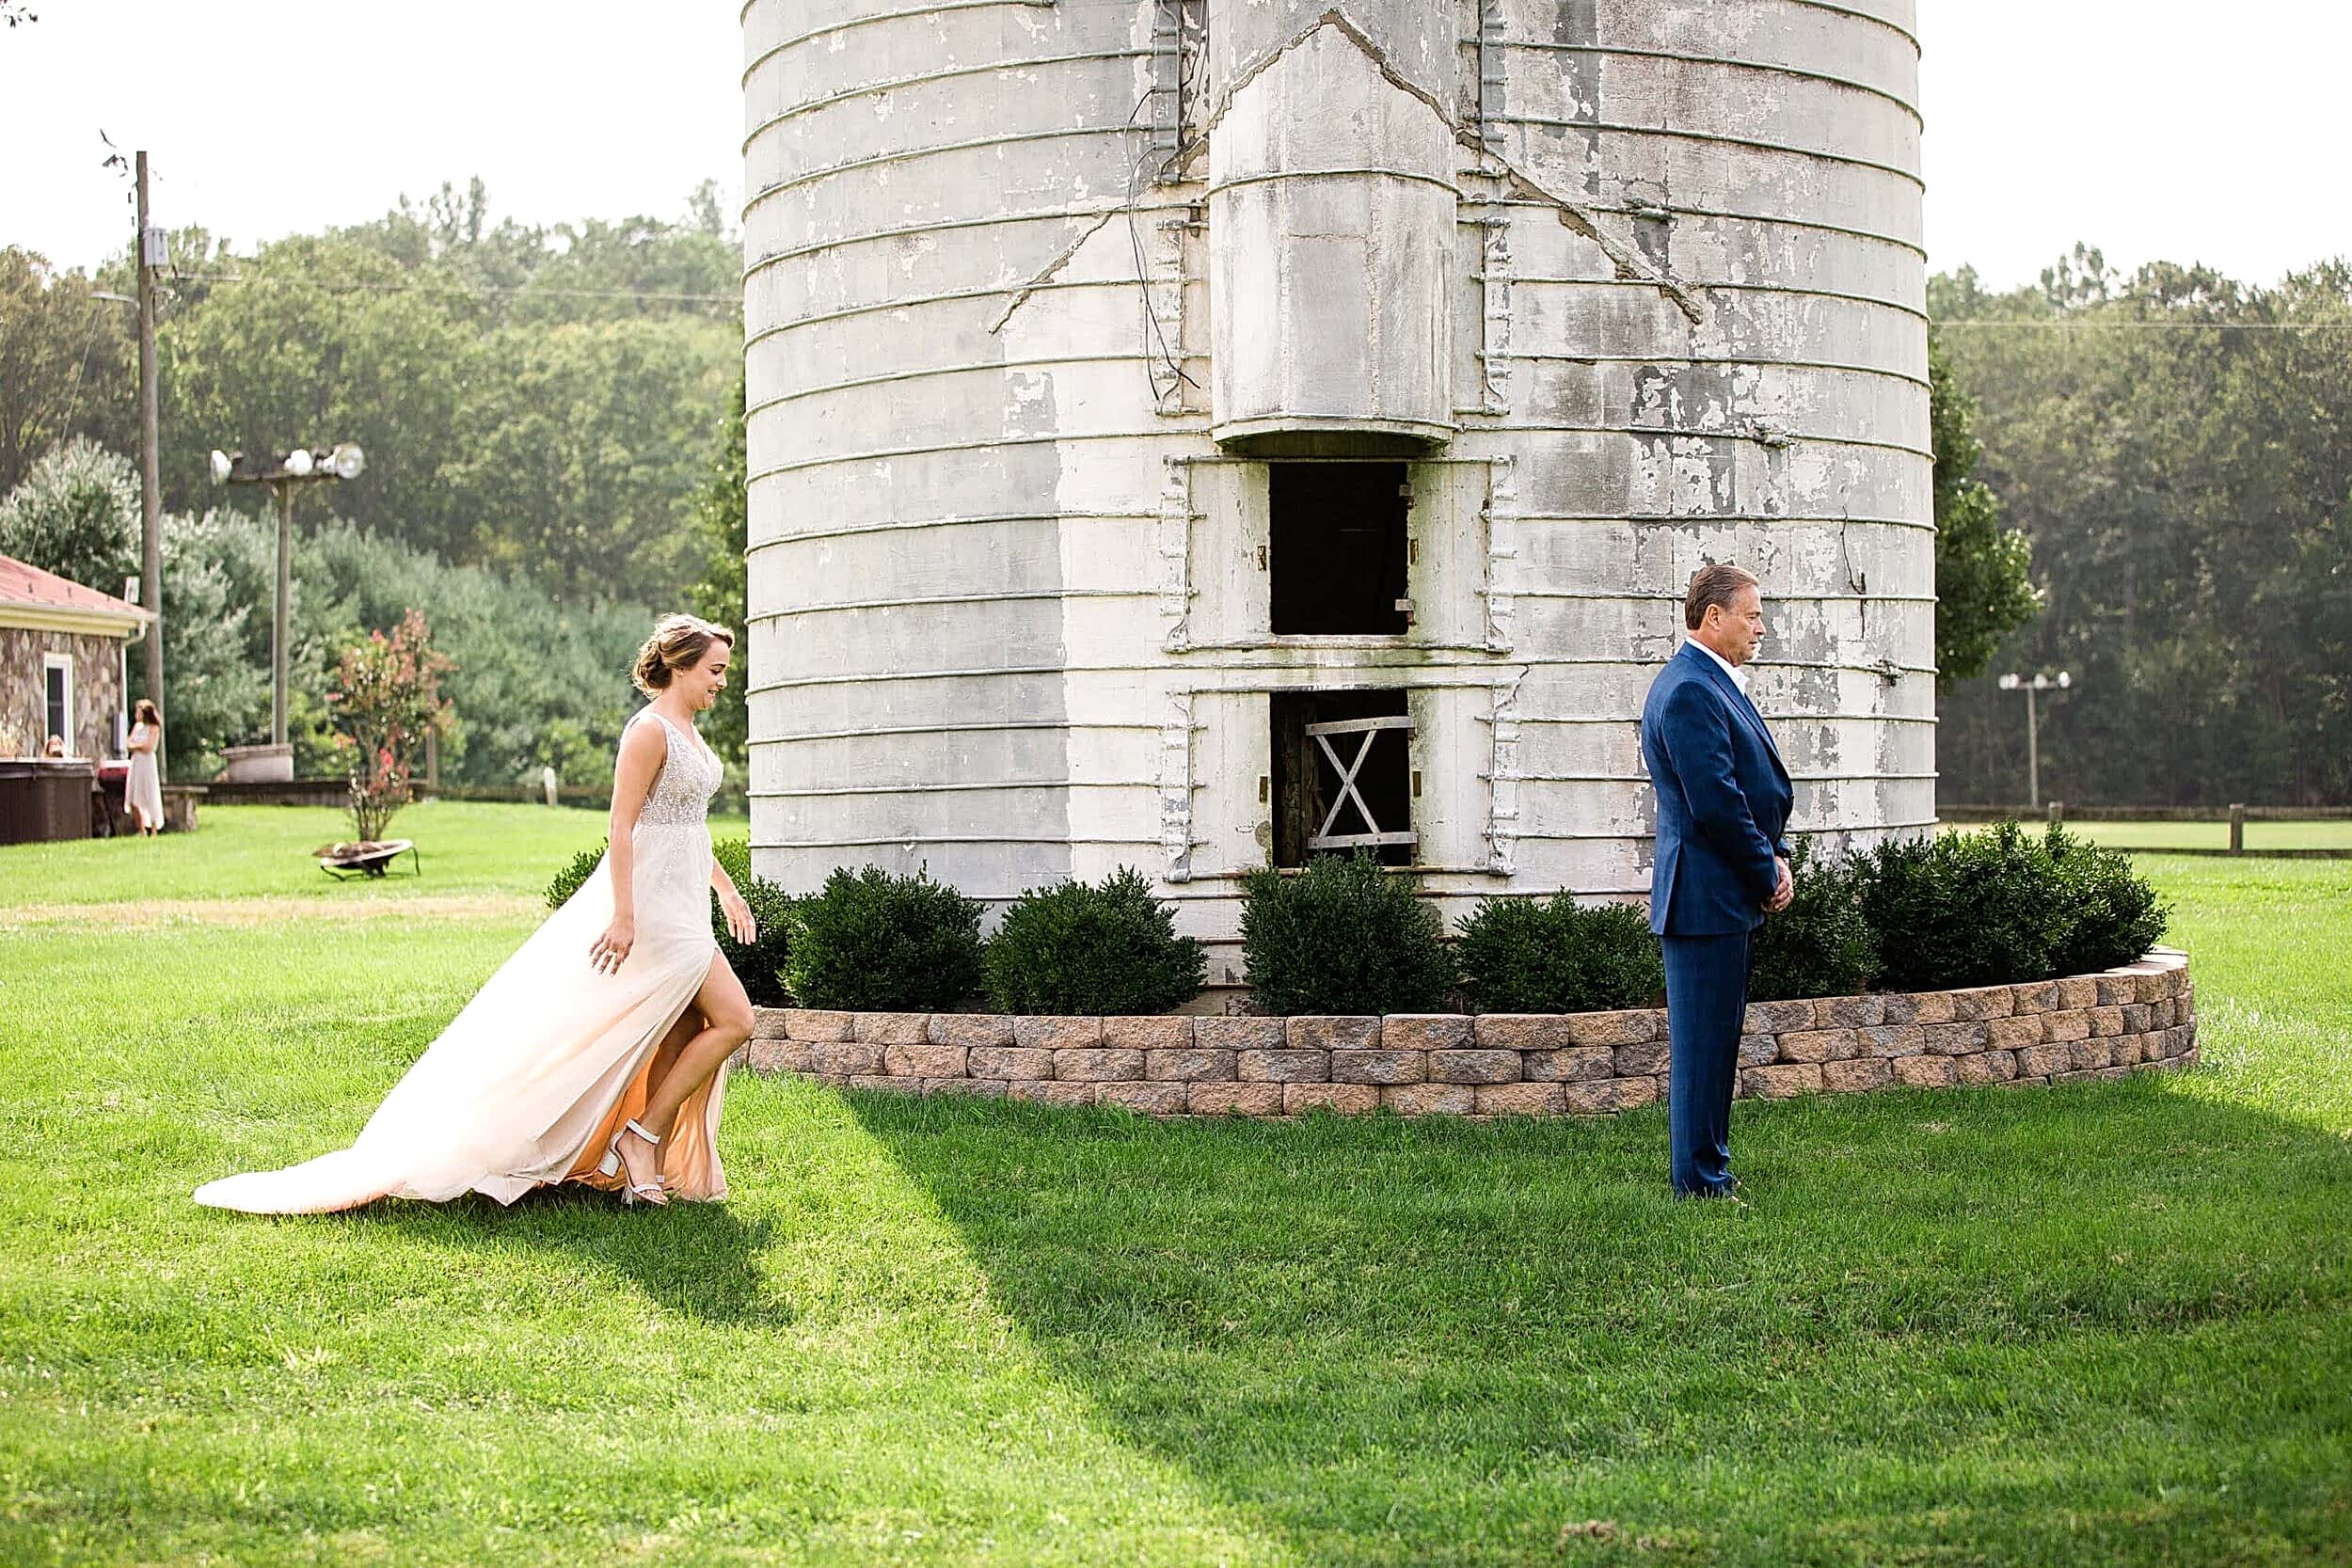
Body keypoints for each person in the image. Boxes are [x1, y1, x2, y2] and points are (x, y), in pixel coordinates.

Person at [195, 614, 757, 1213]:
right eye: (715, 670)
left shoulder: (692, 735)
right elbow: (622, 825)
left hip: (687, 901)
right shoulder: (648, 732)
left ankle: (646, 1150)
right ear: (679, 665)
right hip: (651, 906)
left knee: (678, 1027)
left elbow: (685, 827)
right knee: (735, 1020)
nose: (722, 682)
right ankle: (639, 1138)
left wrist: (725, 889)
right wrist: (623, 915)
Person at [1639, 564, 1794, 1200]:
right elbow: (1718, 803)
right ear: (1714, 617)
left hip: (1720, 897)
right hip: (1705, 898)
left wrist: (1776, 852)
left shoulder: (1707, 682)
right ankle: (1700, 1182)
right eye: (1752, 614)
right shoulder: (1690, 691)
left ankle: (1708, 1170)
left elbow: (1748, 789)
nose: (1761, 626)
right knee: (1703, 1053)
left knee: (1715, 1048)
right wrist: (1767, 871)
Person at [124, 699, 165, 835]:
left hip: (147, 764)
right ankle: (141, 829)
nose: (137, 714)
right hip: (136, 762)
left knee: (150, 793)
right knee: (133, 795)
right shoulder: (137, 727)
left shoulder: (154, 728)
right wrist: (137, 746)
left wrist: (137, 746)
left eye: (139, 712)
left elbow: (149, 747)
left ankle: (153, 828)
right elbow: (129, 744)